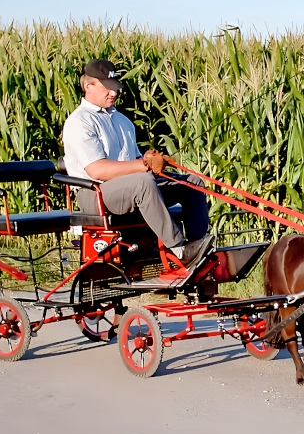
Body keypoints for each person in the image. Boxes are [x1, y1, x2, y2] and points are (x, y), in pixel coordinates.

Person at [62, 59, 214, 281]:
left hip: (128, 188)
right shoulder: (79, 122)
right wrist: (144, 165)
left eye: (115, 86)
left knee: (192, 182)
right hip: (94, 194)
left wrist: (152, 161)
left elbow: (133, 161)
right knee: (143, 182)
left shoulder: (123, 121)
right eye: (107, 86)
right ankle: (179, 251)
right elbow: (97, 170)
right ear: (88, 86)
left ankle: (199, 248)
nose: (113, 92)